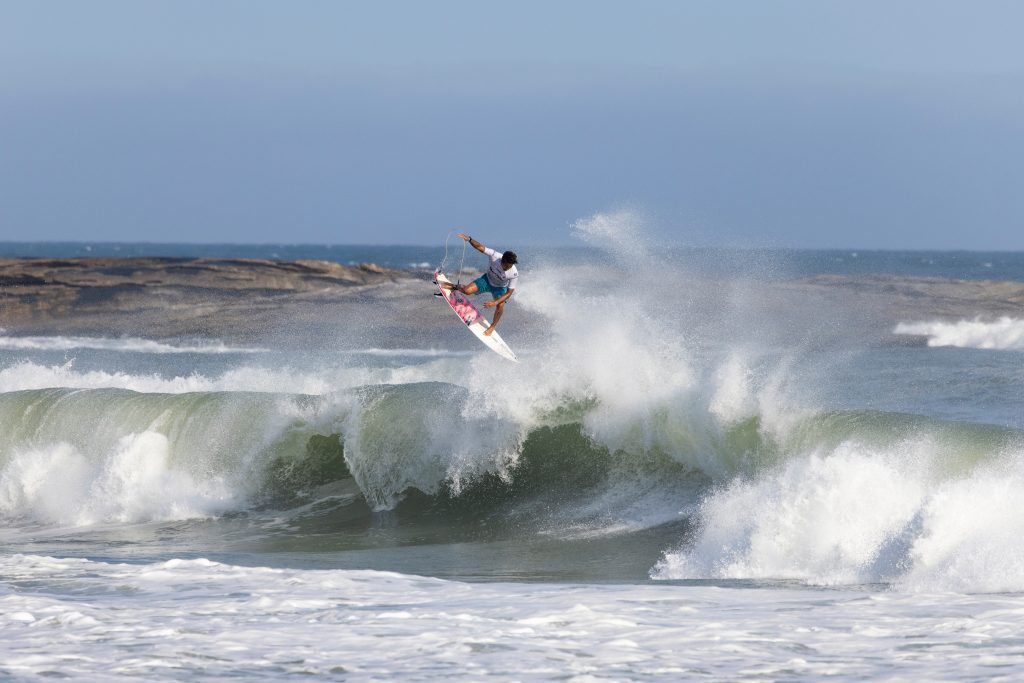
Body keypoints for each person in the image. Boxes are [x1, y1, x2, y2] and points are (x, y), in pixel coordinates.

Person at [441, 233, 518, 336]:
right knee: (467, 291)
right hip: (486, 280)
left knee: (500, 305)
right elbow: (480, 247)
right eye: (507, 266)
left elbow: (509, 293)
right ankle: (454, 287)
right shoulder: (495, 256)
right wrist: (469, 239)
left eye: (510, 266)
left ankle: (492, 327)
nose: (509, 268)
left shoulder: (514, 273)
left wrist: (495, 302)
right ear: (502, 261)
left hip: (500, 288)